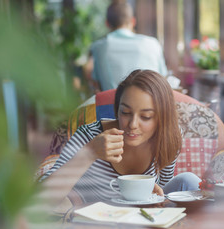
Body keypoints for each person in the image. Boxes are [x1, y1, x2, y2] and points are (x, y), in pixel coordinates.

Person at [40, 69, 201, 204]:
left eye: (145, 116)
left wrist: (151, 198)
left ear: (162, 118)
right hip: (102, 224)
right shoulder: (91, 136)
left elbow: (162, 190)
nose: (132, 124)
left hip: (144, 218)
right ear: (117, 109)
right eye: (125, 113)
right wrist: (90, 152)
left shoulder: (168, 136)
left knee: (189, 181)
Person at [89, 2, 168, 92]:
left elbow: (96, 83)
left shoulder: (98, 48)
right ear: (133, 21)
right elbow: (163, 78)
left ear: (107, 23)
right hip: (151, 103)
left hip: (114, 105)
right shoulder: (153, 43)